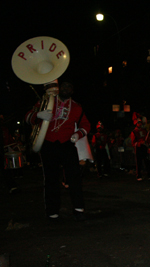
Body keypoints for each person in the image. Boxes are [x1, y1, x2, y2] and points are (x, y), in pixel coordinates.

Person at [25, 80, 91, 221]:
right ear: (59, 88)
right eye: (64, 86)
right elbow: (28, 117)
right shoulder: (47, 102)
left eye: (70, 87)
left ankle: (79, 209)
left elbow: (86, 125)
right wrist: (38, 115)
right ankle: (52, 212)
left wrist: (78, 134)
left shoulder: (77, 107)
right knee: (51, 179)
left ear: (72, 91)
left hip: (67, 144)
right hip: (48, 145)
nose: (66, 88)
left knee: (74, 178)